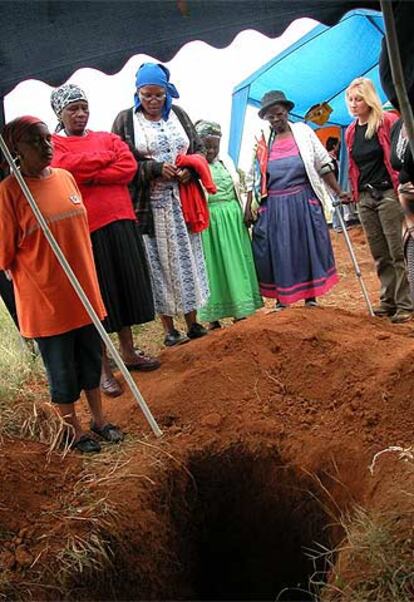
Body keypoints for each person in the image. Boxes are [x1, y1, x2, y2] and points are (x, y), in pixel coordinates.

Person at [0, 116, 124, 453]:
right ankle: (74, 432)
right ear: (15, 150)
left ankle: (100, 422)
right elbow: (3, 253)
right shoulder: (9, 192)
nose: (45, 146)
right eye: (34, 141)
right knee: (62, 370)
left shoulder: (66, 178)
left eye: (46, 139)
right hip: (46, 300)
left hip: (83, 291)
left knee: (90, 361)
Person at [50, 84, 159, 398]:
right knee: (99, 297)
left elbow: (127, 168)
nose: (80, 113)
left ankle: (128, 352)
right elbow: (64, 170)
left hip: (121, 220)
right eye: (73, 109)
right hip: (87, 228)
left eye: (84, 107)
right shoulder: (55, 144)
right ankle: (102, 367)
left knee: (124, 289)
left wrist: (91, 173)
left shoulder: (108, 138)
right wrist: (103, 165)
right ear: (59, 113)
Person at [112, 63, 209, 346]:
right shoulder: (125, 120)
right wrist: (152, 169)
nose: (153, 101)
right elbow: (121, 162)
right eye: (147, 95)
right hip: (150, 207)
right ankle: (169, 330)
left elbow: (199, 148)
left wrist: (190, 170)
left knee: (189, 260)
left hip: (184, 202)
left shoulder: (178, 114)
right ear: (137, 93)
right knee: (159, 265)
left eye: (159, 95)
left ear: (168, 92)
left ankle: (193, 323)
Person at [245, 90, 345, 310]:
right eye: (270, 116)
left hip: (303, 200)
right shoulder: (263, 141)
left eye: (279, 114)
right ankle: (283, 299)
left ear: (287, 111)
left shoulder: (303, 131)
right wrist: (249, 207)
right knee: (279, 250)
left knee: (307, 246)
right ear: (265, 118)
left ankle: (311, 297)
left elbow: (323, 163)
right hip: (275, 205)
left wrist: (338, 191)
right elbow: (252, 175)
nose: (276, 119)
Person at [345, 77, 413, 323]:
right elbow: (353, 167)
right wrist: (352, 194)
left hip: (388, 193)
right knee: (379, 253)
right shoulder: (351, 132)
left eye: (358, 99)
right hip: (365, 197)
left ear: (369, 99)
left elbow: (400, 154)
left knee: (397, 251)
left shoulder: (387, 121)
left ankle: (406, 302)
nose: (353, 104)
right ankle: (388, 300)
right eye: (350, 99)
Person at [194, 120, 263, 328]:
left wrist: (245, 209)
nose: (212, 150)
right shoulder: (194, 165)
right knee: (212, 265)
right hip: (210, 221)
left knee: (236, 262)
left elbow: (238, 187)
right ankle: (213, 317)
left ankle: (240, 310)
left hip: (232, 219)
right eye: (207, 146)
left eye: (215, 145)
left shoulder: (226, 161)